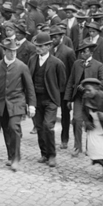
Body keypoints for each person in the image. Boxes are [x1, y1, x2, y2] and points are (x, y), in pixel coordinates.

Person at [0, 37, 35, 172]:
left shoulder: (22, 66)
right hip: (1, 104)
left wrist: (31, 105)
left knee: (13, 127)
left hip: (17, 103)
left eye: (14, 51)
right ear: (4, 51)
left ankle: (16, 158)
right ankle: (11, 156)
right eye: (10, 51)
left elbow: (30, 88)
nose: (12, 53)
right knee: (6, 129)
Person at [65, 40, 103, 157]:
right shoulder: (76, 64)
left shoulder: (98, 65)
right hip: (78, 98)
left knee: (90, 123)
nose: (82, 54)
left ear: (90, 52)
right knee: (76, 121)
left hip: (92, 101)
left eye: (84, 52)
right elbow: (70, 81)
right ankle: (77, 147)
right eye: (81, 52)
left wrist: (90, 89)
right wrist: (68, 99)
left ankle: (90, 147)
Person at [29, 32, 66, 168]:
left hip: (50, 99)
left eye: (41, 46)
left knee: (48, 126)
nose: (38, 48)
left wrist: (58, 100)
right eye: (37, 46)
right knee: (39, 127)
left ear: (49, 46)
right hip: (36, 99)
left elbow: (62, 84)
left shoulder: (57, 63)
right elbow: (29, 80)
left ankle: (52, 155)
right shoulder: (32, 60)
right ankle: (44, 153)